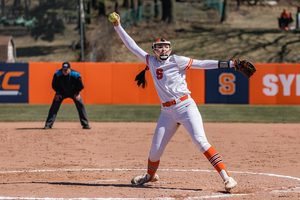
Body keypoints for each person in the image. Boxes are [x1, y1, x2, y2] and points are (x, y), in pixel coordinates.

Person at [111, 12, 238, 192]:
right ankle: (150, 176)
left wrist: (230, 64)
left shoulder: (177, 60)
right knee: (155, 151)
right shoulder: (150, 61)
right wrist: (118, 25)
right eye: (159, 47)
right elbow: (132, 46)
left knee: (201, 142)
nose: (163, 50)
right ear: (154, 50)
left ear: (169, 49)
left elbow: (202, 64)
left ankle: (227, 178)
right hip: (167, 112)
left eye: (166, 47)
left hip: (185, 106)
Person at [44, 62, 91, 130]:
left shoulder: (76, 75)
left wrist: (77, 92)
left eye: (66, 69)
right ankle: (48, 124)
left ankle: (85, 124)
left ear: (70, 69)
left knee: (80, 105)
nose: (65, 71)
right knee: (54, 106)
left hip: (73, 92)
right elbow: (54, 85)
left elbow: (80, 85)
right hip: (61, 92)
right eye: (63, 69)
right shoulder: (57, 74)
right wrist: (57, 92)